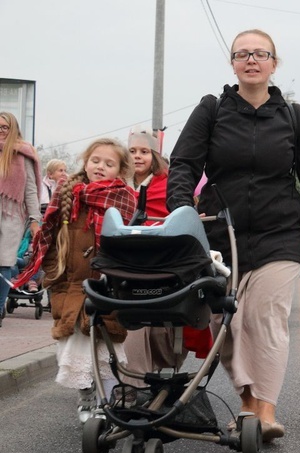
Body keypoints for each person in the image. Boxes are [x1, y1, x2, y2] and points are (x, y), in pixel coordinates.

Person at [167, 29, 300, 443]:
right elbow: (183, 164)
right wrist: (182, 212)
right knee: (228, 321)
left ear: (274, 63)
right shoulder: (212, 109)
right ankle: (248, 406)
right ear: (232, 63)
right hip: (221, 234)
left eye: (261, 54)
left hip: (278, 233)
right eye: (242, 54)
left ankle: (265, 411)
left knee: (264, 317)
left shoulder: (291, 114)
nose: (251, 60)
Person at [14, 138, 137, 422]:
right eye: (96, 160)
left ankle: (103, 399)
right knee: (74, 339)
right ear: (86, 160)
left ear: (120, 169)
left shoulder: (125, 197)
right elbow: (50, 232)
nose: (100, 167)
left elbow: (130, 239)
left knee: (104, 341)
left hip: (107, 282)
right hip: (71, 279)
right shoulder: (68, 191)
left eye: (109, 163)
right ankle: (85, 398)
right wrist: (54, 270)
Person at [122, 128, 185, 389]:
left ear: (154, 155)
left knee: (160, 326)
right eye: (132, 151)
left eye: (144, 151)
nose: (138, 157)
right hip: (124, 263)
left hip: (161, 260)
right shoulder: (117, 184)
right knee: (132, 321)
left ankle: (152, 376)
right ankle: (133, 384)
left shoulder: (167, 184)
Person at [0, 111, 42, 328]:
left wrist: (35, 219)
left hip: (11, 215)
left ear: (13, 129)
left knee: (4, 261)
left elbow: (30, 191)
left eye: (4, 127)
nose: (0, 131)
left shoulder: (22, 153)